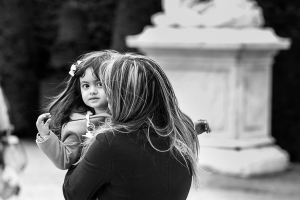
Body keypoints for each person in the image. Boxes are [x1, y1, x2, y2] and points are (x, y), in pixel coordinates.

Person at [63, 52, 201, 200]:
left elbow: (73, 193)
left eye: (109, 90)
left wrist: (83, 143)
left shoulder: (109, 141)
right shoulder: (182, 132)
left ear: (121, 95)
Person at [35, 50, 115, 170]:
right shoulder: (79, 126)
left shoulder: (130, 117)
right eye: (86, 86)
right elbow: (64, 159)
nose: (92, 91)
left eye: (100, 84)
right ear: (79, 89)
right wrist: (45, 135)